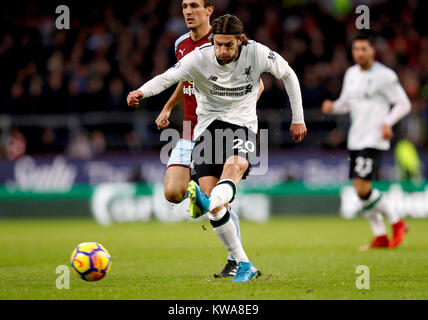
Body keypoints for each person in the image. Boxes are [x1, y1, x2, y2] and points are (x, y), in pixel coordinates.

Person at [127, 14, 306, 281]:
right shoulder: (199, 57)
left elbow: (289, 75)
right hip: (206, 130)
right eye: (218, 44)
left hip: (242, 125)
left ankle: (208, 206)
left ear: (240, 41)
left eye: (228, 45)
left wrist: (298, 118)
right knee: (215, 208)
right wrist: (141, 92)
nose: (222, 51)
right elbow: (167, 78)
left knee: (234, 168)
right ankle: (244, 264)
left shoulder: (257, 53)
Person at [155, 0, 264, 279]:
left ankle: (235, 260)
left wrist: (240, 110)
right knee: (172, 193)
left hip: (221, 129)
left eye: (194, 6)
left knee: (218, 200)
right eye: (183, 6)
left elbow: (258, 84)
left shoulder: (226, 41)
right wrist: (168, 107)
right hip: (191, 129)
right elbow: (184, 78)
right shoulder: (181, 44)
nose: (188, 12)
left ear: (209, 10)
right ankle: (200, 196)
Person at [321, 33, 411, 250]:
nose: (359, 53)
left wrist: (388, 122)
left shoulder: (385, 76)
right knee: (359, 188)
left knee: (362, 189)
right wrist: (333, 107)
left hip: (374, 138)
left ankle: (397, 223)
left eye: (364, 49)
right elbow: (346, 104)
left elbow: (404, 103)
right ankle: (380, 236)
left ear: (373, 51)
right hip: (355, 138)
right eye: (356, 49)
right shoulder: (351, 74)